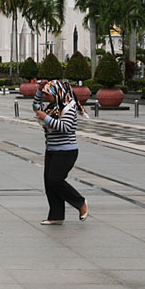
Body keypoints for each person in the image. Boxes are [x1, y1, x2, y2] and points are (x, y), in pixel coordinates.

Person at [33, 79, 89, 225]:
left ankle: (80, 203)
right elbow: (36, 106)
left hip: (66, 151)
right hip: (51, 149)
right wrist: (39, 90)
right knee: (49, 183)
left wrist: (46, 118)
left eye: (47, 94)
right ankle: (56, 216)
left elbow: (65, 127)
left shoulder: (68, 108)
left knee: (55, 180)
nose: (46, 97)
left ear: (56, 93)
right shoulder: (53, 106)